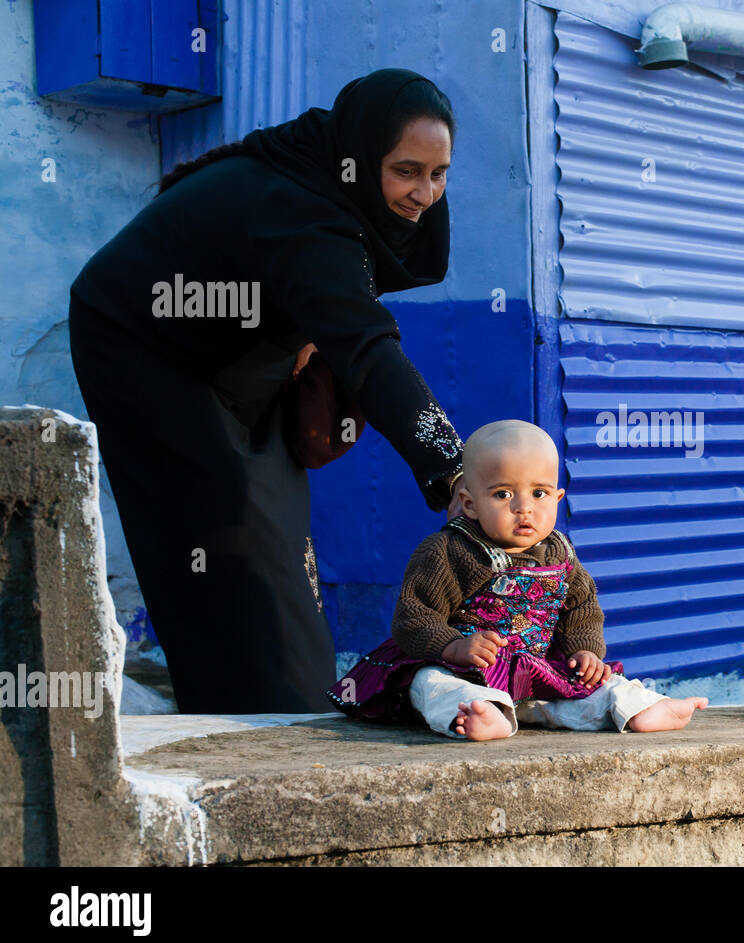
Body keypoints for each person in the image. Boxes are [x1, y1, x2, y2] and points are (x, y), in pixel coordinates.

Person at [67, 69, 466, 714]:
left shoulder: (330, 176)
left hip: (234, 345)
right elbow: (368, 348)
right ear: (359, 160)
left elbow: (333, 298)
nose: (424, 194)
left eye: (439, 173)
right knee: (226, 530)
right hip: (141, 345)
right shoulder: (303, 211)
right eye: (406, 171)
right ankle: (244, 719)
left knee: (279, 533)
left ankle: (293, 702)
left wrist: (300, 323)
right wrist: (452, 465)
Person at [328, 420, 708, 739]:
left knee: (591, 687)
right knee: (429, 684)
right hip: (467, 668)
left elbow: (581, 609)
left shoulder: (560, 554)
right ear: (470, 501)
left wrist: (584, 651)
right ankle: (485, 714)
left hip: (534, 669)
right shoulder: (450, 550)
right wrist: (452, 647)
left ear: (558, 499)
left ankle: (637, 708)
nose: (523, 507)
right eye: (503, 493)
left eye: (539, 493)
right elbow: (414, 615)